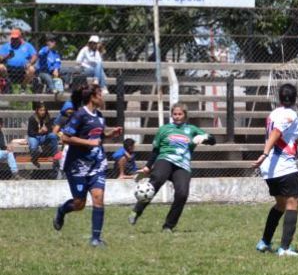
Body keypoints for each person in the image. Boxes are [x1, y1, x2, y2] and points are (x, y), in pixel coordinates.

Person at [53, 84, 123, 247]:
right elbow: (65, 138)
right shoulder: (79, 115)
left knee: (98, 198)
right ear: (92, 97)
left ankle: (95, 239)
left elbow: (98, 135)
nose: (103, 97)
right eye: (100, 94)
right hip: (77, 166)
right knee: (79, 204)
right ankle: (62, 211)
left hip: (96, 164)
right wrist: (88, 142)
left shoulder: (99, 116)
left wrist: (109, 134)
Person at [128, 104, 216, 231]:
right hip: (165, 159)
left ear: (185, 115)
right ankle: (137, 210)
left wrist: (204, 138)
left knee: (182, 194)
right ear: (171, 115)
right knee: (156, 180)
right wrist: (148, 166)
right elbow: (156, 150)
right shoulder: (164, 129)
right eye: (175, 114)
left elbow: (213, 141)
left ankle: (168, 226)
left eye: (180, 114)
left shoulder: (192, 129)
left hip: (183, 165)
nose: (177, 117)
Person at [252, 83, 298, 257]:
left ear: (279, 97)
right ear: (295, 99)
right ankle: (284, 248)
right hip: (283, 166)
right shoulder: (290, 114)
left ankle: (264, 242)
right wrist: (264, 153)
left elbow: (287, 137)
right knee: (292, 203)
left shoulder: (274, 113)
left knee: (280, 204)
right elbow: (277, 133)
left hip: (270, 170)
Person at [0, 28, 38, 92]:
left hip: (23, 68)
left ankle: (23, 87)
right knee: (0, 67)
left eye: (16, 38)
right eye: (13, 38)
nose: (14, 40)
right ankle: (8, 84)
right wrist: (7, 56)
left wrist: (30, 63)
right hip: (8, 68)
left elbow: (35, 56)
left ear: (20, 37)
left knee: (32, 69)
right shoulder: (6, 46)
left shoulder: (27, 45)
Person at [26, 103, 59, 170]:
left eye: (44, 110)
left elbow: (50, 129)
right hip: (34, 137)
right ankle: (34, 159)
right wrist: (39, 132)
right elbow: (30, 133)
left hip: (43, 137)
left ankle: (54, 156)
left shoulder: (47, 117)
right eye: (41, 110)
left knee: (53, 135)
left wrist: (47, 130)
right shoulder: (32, 118)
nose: (43, 112)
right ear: (37, 110)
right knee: (33, 146)